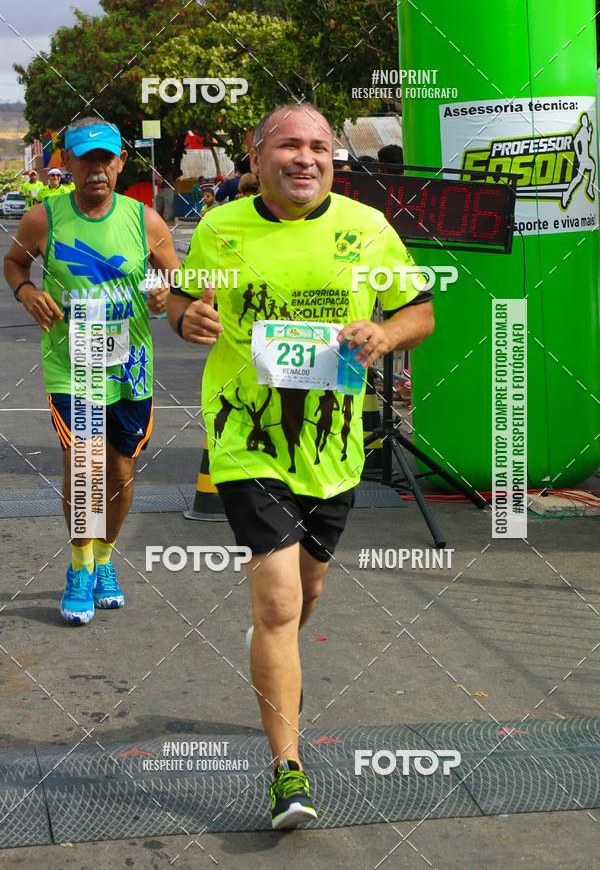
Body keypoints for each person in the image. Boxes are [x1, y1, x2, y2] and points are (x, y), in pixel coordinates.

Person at [166, 103, 434, 829]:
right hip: (246, 435)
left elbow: (420, 311)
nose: (306, 157)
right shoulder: (223, 228)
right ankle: (288, 770)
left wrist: (383, 330)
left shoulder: (366, 227)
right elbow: (187, 301)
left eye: (319, 146)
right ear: (257, 158)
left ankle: (270, 648)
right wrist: (186, 316)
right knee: (280, 602)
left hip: (333, 443)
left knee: (301, 600)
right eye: (289, 145)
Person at [4, 117, 178, 625]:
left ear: (121, 162)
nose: (97, 169)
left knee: (121, 470)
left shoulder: (145, 220)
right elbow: (15, 263)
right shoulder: (44, 218)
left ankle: (104, 559)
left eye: (106, 158)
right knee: (85, 466)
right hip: (71, 362)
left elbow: (174, 278)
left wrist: (167, 293)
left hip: (130, 364)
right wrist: (27, 290)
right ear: (68, 164)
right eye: (86, 159)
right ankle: (78, 567)